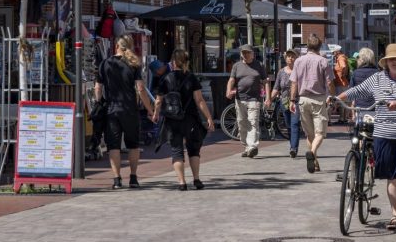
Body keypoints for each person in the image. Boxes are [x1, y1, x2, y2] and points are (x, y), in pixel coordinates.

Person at [336, 43, 396, 231]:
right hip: (383, 133)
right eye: (391, 59)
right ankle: (395, 215)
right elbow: (358, 90)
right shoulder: (377, 78)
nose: (395, 62)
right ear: (386, 62)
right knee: (391, 176)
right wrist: (338, 98)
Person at [95, 34, 155, 189]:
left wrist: (99, 101)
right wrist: (150, 109)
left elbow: (98, 88)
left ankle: (116, 179)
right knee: (133, 145)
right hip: (130, 110)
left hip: (112, 110)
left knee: (113, 146)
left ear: (116, 46)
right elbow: (141, 89)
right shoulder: (133, 64)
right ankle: (133, 178)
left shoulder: (105, 63)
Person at [150, 49, 215, 191]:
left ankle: (182, 182)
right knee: (193, 149)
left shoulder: (166, 79)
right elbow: (199, 100)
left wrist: (155, 114)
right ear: (186, 62)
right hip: (190, 119)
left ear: (173, 62)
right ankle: (196, 179)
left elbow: (158, 101)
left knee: (176, 150)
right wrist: (209, 118)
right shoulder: (191, 78)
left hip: (172, 120)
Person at [291, 34, 334, 173]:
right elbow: (329, 82)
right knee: (320, 133)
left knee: (310, 134)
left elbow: (294, 82)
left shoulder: (298, 61)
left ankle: (315, 162)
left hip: (303, 99)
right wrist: (332, 95)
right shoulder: (323, 61)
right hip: (318, 99)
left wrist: (292, 100)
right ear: (320, 46)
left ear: (307, 46)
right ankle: (313, 151)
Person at [227, 46, 267, 158]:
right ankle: (246, 146)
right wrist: (228, 90)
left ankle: (252, 147)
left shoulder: (259, 65)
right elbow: (231, 80)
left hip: (254, 99)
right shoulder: (236, 66)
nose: (245, 54)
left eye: (247, 53)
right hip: (240, 99)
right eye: (243, 53)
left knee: (253, 122)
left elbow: (265, 81)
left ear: (252, 54)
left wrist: (267, 97)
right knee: (242, 123)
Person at [271, 50, 300, 159]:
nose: (290, 58)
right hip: (284, 101)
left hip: (297, 100)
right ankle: (292, 145)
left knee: (295, 124)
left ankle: (293, 148)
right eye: (288, 56)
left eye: (292, 56)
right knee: (288, 125)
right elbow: (276, 87)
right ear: (285, 58)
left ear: (296, 58)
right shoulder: (281, 72)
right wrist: (269, 99)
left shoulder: (299, 71)